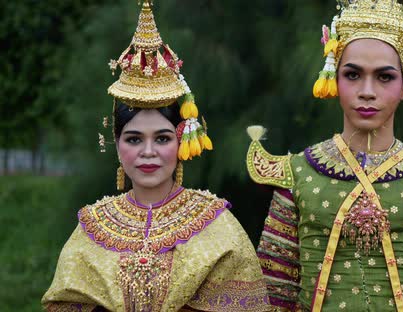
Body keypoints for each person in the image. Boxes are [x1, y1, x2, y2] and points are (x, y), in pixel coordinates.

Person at [245, 0, 403, 311]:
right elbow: (273, 294)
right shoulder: (297, 175)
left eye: (384, 77)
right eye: (353, 75)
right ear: (334, 78)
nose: (367, 91)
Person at [42, 2, 269, 311]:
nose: (148, 152)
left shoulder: (218, 226)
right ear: (117, 143)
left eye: (161, 138)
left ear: (182, 141)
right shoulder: (91, 228)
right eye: (134, 139)